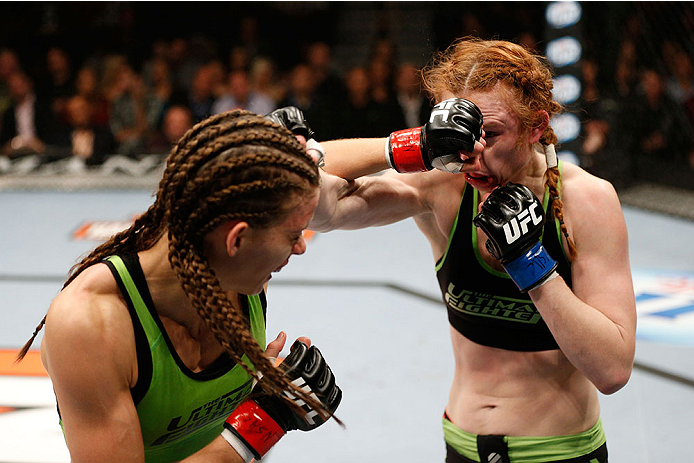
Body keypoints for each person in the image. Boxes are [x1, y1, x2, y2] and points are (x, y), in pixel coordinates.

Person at [309, 37, 636, 463]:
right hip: (460, 446)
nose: (472, 153)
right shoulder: (442, 185)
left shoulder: (587, 202)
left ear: (536, 126)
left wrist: (532, 266)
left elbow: (612, 370)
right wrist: (413, 145)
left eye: (493, 134)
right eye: (460, 134)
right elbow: (316, 207)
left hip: (558, 452)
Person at [16, 109, 342, 462]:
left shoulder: (229, 262)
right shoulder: (91, 323)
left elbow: (341, 177)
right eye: (293, 235)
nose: (301, 247)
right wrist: (262, 421)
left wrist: (402, 148)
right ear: (237, 240)